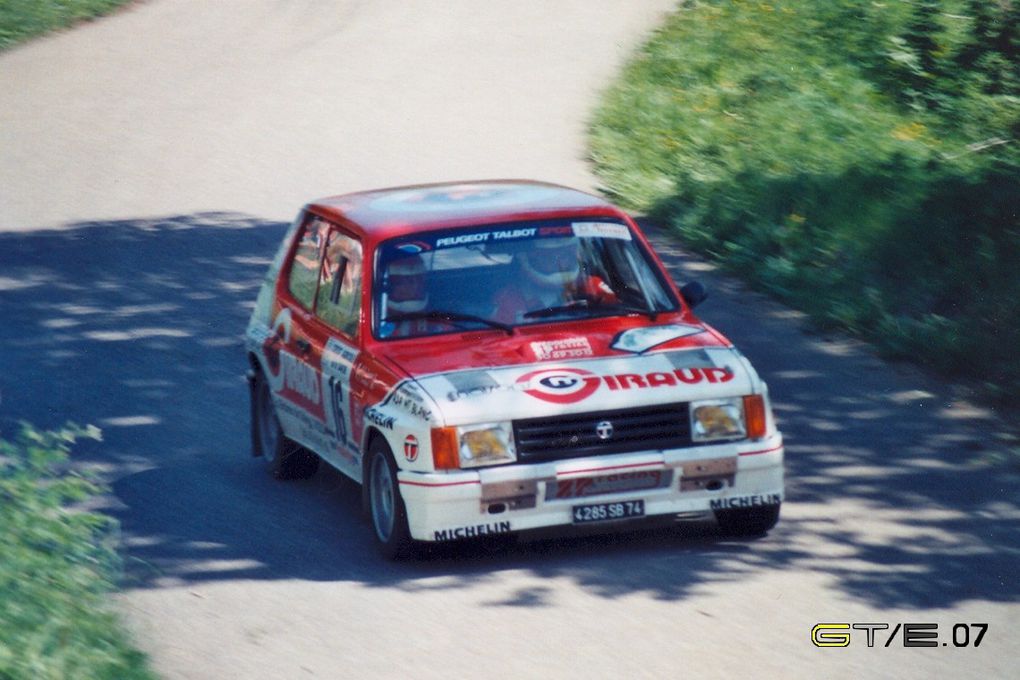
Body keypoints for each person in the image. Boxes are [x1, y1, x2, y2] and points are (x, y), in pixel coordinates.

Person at [492, 237, 616, 324]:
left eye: (566, 255)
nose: (560, 263)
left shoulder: (594, 286)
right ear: (526, 259)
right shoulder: (508, 298)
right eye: (548, 257)